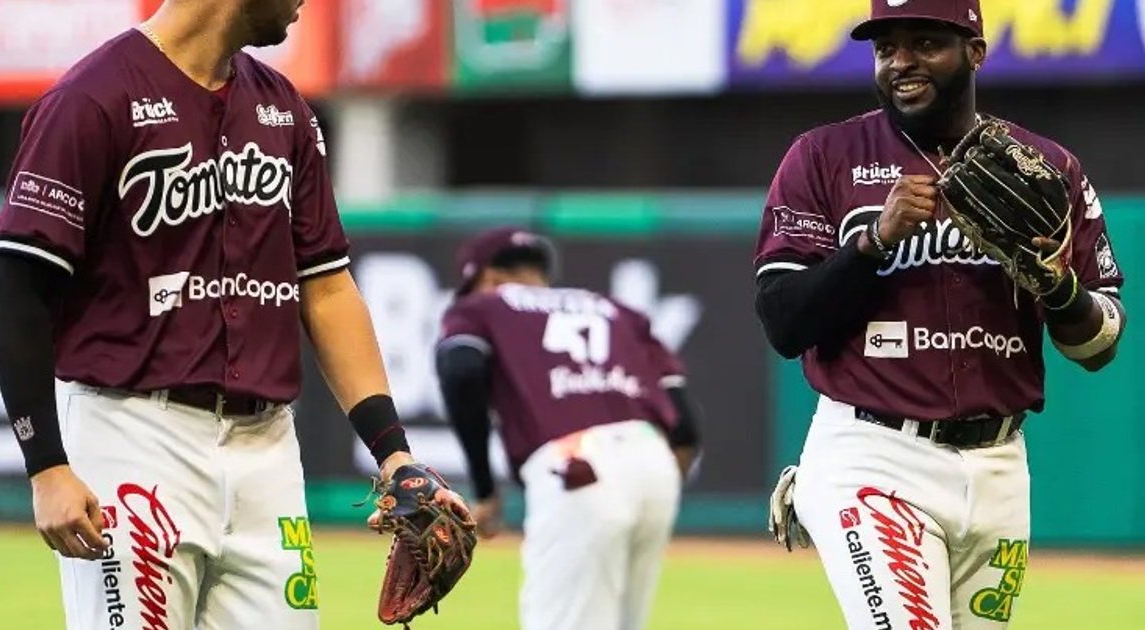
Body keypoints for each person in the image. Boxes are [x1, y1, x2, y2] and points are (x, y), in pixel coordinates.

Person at [0, 1, 469, 629]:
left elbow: (326, 289)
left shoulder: (283, 107)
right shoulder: (91, 99)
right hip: (133, 434)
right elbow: (19, 288)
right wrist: (46, 464)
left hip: (266, 448)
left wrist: (393, 454)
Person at [753, 1, 1126, 628]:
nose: (901, 62)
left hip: (1000, 465)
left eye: (925, 43)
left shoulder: (1048, 169)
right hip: (873, 455)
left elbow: (1100, 345)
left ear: (974, 51)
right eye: (886, 47)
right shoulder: (823, 156)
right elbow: (782, 321)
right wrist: (873, 241)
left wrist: (1058, 290)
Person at [434, 226, 702, 630]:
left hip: (577, 465)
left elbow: (462, 371)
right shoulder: (616, 310)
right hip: (654, 461)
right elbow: (685, 427)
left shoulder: (482, 306)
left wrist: (485, 489)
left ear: (485, 278)